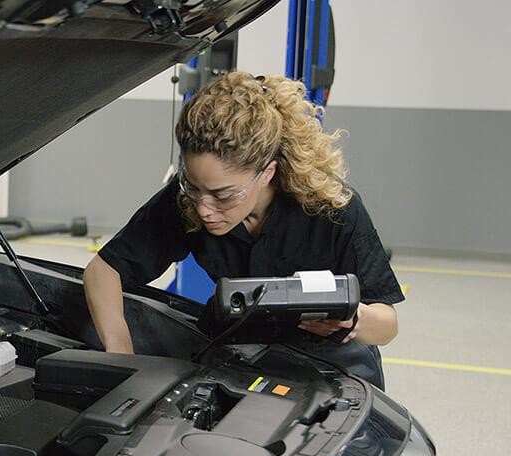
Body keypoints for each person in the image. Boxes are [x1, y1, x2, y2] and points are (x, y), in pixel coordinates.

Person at [84, 71, 403, 388]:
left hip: (328, 370)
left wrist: (352, 319)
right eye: (192, 187)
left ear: (267, 173)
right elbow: (104, 271)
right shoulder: (189, 199)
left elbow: (387, 326)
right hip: (239, 359)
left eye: (223, 195)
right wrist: (121, 355)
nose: (203, 208)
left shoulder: (332, 209)